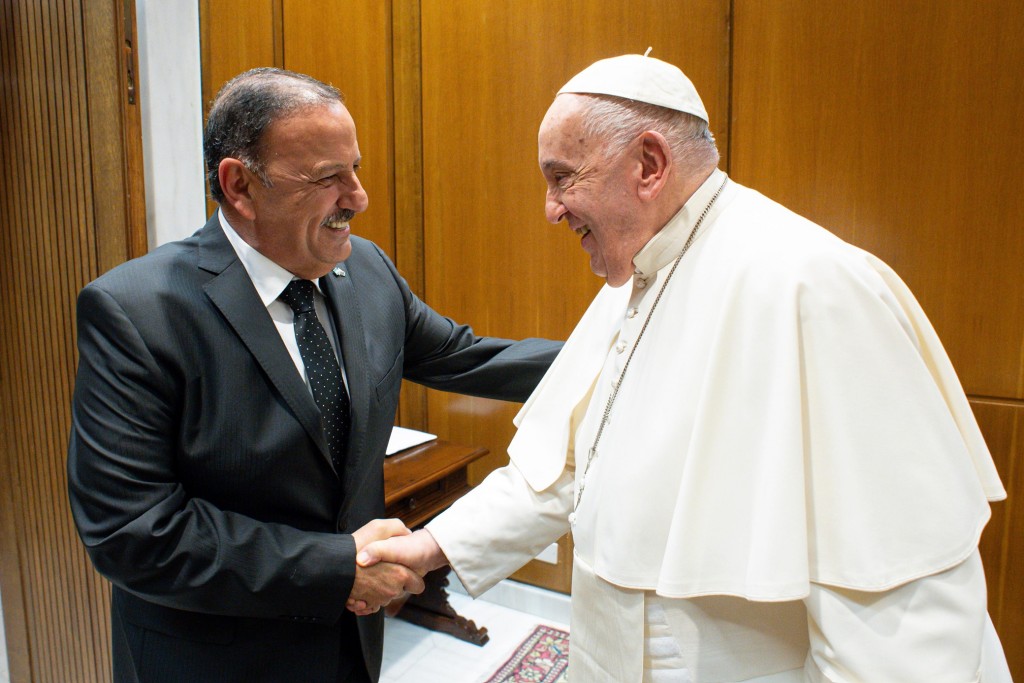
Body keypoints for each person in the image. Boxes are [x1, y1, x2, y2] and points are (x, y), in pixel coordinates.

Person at [355, 54, 1013, 681]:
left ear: (649, 164)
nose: (550, 208)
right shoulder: (641, 271)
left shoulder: (811, 287)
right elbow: (569, 469)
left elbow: (895, 599)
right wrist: (434, 545)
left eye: (562, 177)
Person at [67, 67, 560, 683]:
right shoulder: (137, 311)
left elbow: (468, 355)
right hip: (217, 658)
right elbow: (132, 531)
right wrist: (333, 568)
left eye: (355, 169)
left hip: (351, 643)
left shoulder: (368, 270)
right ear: (240, 185)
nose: (358, 197)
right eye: (329, 178)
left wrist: (620, 354)